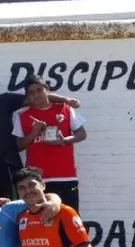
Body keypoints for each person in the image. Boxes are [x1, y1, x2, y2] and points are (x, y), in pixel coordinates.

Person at [13, 74, 87, 211]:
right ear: (27, 96)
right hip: (37, 180)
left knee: (68, 218)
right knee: (42, 221)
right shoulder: (22, 115)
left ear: (47, 89)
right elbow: (18, 146)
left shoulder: (65, 109)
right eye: (31, 93)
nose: (36, 95)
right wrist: (34, 133)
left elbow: (82, 133)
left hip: (66, 175)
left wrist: (64, 141)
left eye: (39, 90)